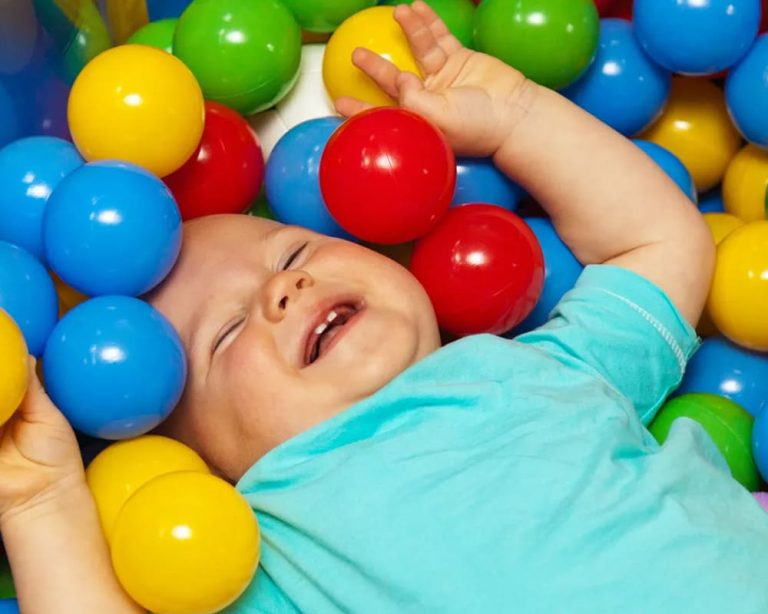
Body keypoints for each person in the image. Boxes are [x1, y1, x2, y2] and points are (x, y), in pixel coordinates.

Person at [2, 2, 765, 613]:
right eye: (225, 335)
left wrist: (517, 118)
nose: (280, 291)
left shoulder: (539, 372)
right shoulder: (267, 546)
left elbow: (658, 241)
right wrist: (41, 503)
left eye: (294, 255)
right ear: (210, 467)